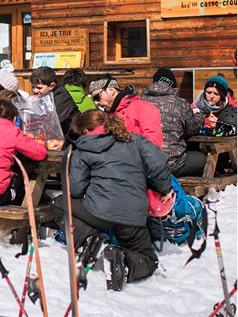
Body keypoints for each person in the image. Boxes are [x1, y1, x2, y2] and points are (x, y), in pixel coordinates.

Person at [51, 110, 172, 291]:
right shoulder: (134, 140)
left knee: (59, 204)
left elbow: (75, 189)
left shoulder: (83, 149)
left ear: (85, 131)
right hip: (132, 215)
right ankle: (124, 261)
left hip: (98, 210)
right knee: (148, 259)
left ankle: (88, 239)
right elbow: (159, 163)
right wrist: (165, 189)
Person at [140, 68, 206, 177]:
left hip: (144, 164)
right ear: (173, 86)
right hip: (171, 164)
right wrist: (199, 115)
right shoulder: (180, 103)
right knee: (203, 159)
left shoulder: (138, 102)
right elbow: (192, 128)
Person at [88, 74, 163, 148]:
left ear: (111, 90)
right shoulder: (105, 116)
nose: (96, 103)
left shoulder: (142, 107)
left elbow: (153, 143)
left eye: (97, 97)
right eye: (94, 99)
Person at [29, 66, 79, 135]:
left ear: (52, 86)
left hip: (69, 137)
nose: (35, 90)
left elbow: (54, 121)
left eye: (39, 88)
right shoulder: (42, 96)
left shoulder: (62, 97)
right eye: (33, 87)